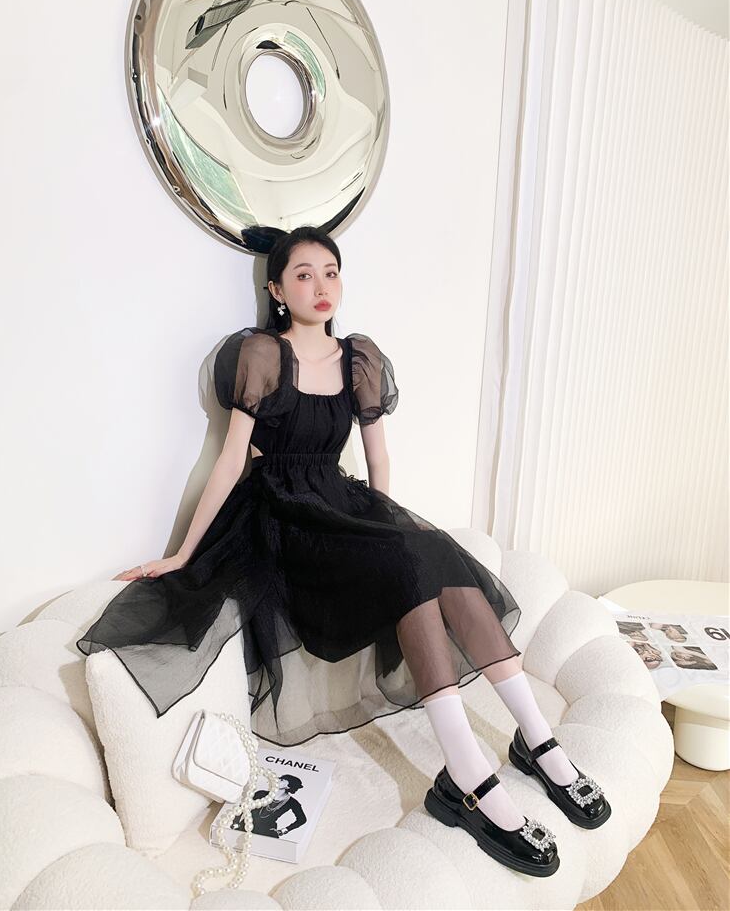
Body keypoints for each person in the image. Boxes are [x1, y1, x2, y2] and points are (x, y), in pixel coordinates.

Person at [76, 226, 610, 876]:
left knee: (429, 554)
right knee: (416, 562)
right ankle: (470, 774)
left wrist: (389, 531)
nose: (320, 286)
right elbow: (230, 459)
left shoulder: (360, 357)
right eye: (303, 275)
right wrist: (183, 553)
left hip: (345, 506)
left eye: (330, 272)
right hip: (283, 517)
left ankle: (538, 741)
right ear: (277, 290)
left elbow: (378, 458)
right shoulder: (262, 354)